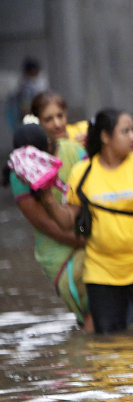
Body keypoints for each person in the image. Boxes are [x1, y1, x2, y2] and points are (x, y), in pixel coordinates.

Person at [45, 108, 133, 334]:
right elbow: (68, 220)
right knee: (107, 342)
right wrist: (47, 198)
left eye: (132, 131)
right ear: (105, 137)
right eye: (125, 131)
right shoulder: (82, 172)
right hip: (102, 272)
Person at [3, 123, 90, 330]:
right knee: (89, 318)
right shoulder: (20, 175)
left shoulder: (73, 152)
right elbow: (48, 226)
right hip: (59, 254)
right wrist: (91, 243)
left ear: (50, 146)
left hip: (87, 234)